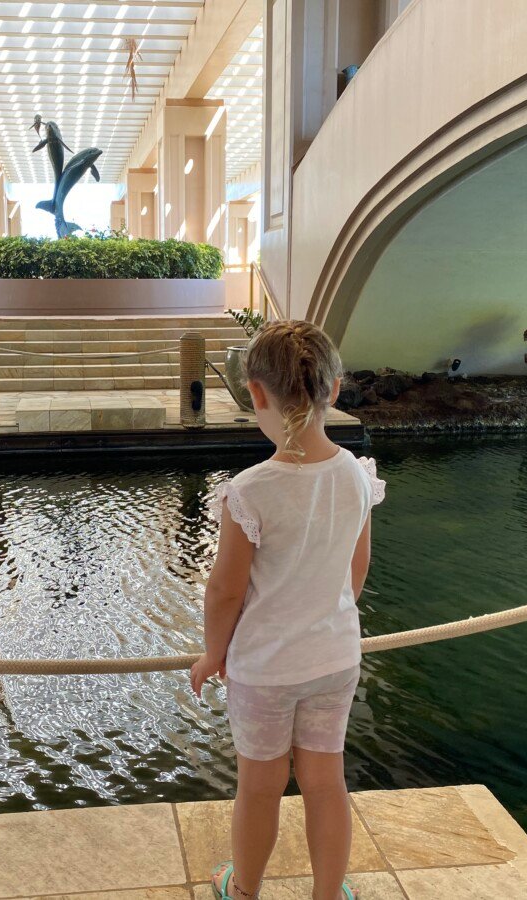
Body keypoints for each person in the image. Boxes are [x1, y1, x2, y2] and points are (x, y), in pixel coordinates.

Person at [191, 320, 384, 900]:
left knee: (259, 786)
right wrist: (328, 613)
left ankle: (244, 889)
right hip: (333, 657)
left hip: (265, 667)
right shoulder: (355, 473)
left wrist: (212, 654)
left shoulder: (250, 490)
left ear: (255, 393)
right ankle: (329, 895)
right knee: (326, 783)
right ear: (336, 389)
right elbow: (358, 567)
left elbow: (225, 590)